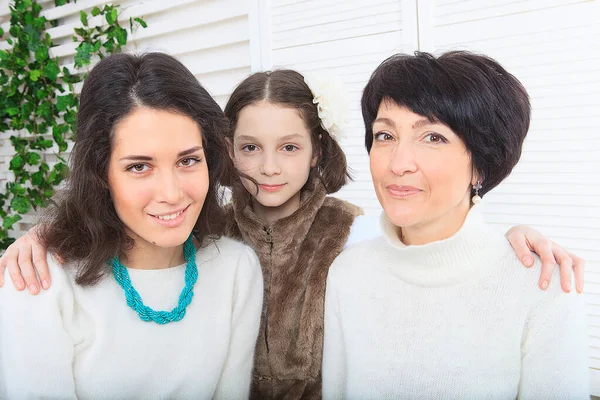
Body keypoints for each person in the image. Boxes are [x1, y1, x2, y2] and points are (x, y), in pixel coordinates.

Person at [0, 66, 586, 399]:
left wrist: (509, 236)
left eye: (288, 148)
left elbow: (433, 239)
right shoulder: (223, 241)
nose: (268, 167)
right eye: (385, 135)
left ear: (317, 151)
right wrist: (50, 234)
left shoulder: (341, 242)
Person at [321, 51, 589, 399]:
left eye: (433, 137)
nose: (399, 163)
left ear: (481, 164)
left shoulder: (543, 287)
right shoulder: (348, 273)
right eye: (385, 136)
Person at [0, 52, 263, 399]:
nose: (171, 193)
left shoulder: (236, 271)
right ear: (101, 173)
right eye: (139, 167)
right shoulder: (39, 285)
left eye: (188, 160)